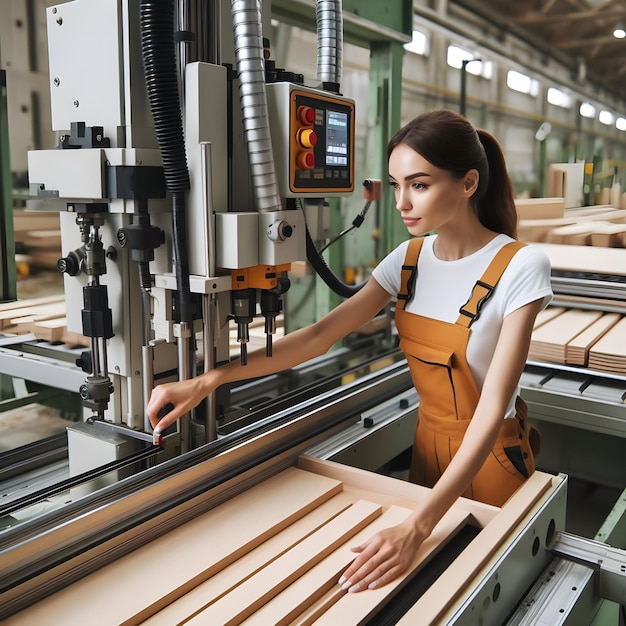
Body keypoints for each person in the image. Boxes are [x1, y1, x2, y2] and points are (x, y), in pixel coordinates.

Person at [147, 109, 552, 593]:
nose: (402, 202)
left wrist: (418, 525)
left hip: (490, 458)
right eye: (396, 184)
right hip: (428, 447)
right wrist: (209, 379)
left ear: (468, 183)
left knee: (494, 586)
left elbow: (489, 412)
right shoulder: (407, 260)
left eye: (419, 185)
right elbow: (321, 335)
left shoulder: (521, 266)